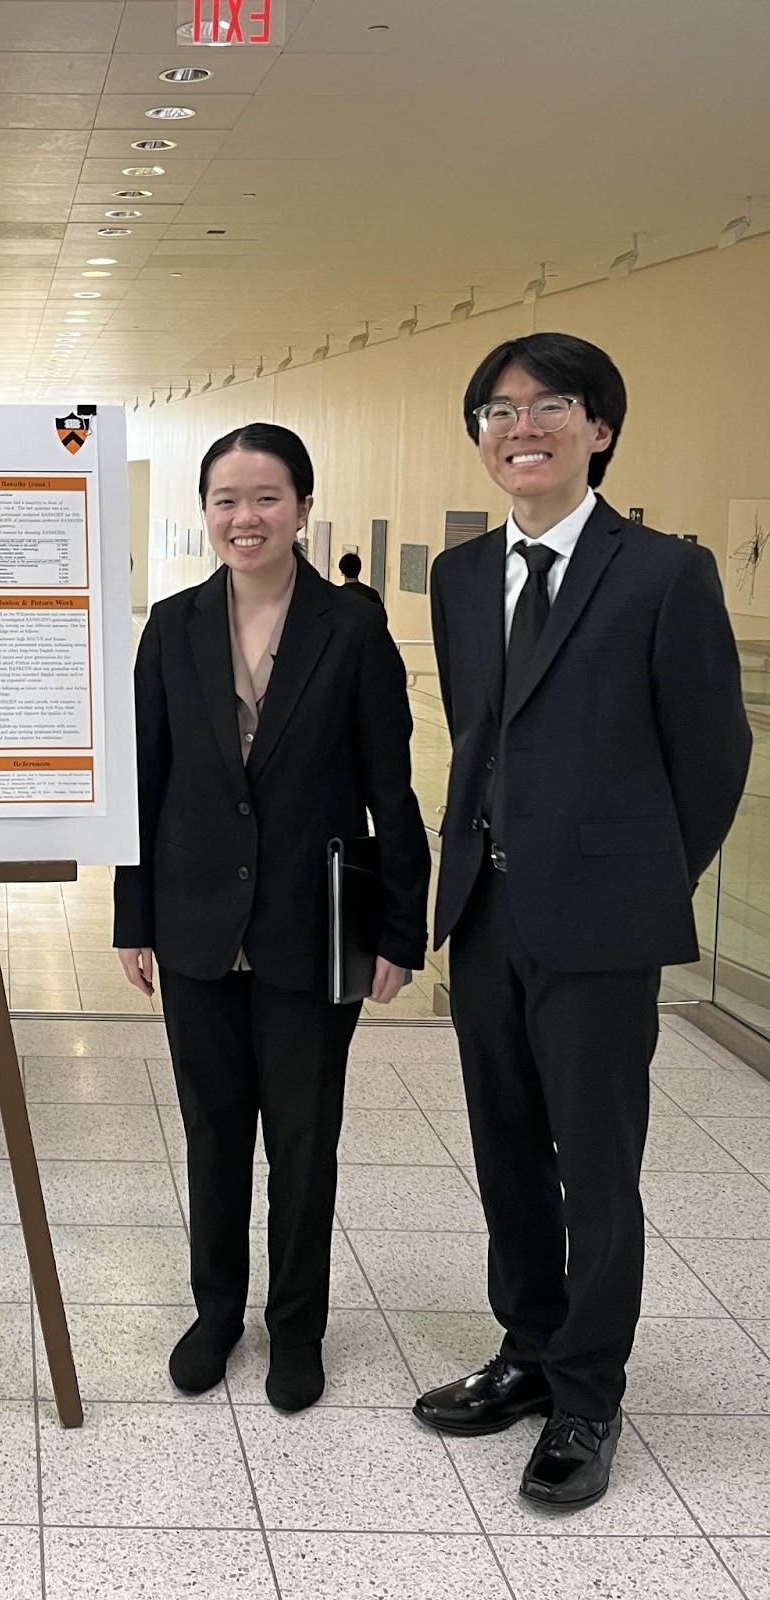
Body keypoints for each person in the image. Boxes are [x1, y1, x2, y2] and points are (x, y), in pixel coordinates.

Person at [414, 333, 750, 1509]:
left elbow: (712, 757)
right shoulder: (460, 577)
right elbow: (481, 738)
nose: (521, 425)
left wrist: (636, 878)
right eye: (495, 410)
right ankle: (527, 1346)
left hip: (602, 924)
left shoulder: (663, 571)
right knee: (506, 1148)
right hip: (486, 908)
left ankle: (587, 1392)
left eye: (548, 404)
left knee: (596, 1166)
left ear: (597, 428)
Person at [114, 424, 430, 1410]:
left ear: (300, 506)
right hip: (197, 923)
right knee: (213, 1129)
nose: (242, 518)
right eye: (223, 499)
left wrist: (398, 927)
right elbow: (142, 780)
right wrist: (134, 917)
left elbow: (392, 785)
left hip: (310, 924)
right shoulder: (170, 627)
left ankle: (297, 1326)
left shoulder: (351, 628)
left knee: (302, 1136)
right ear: (202, 511)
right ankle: (217, 1313)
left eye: (263, 498)